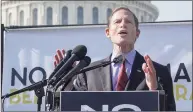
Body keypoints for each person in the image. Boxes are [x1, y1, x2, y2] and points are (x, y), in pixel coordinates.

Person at [54, 7, 176, 111]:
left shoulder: (158, 72)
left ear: (137, 33)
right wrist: (66, 80)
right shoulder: (88, 73)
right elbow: (72, 107)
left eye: (128, 22)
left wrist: (154, 90)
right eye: (117, 22)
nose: (122, 24)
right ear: (108, 32)